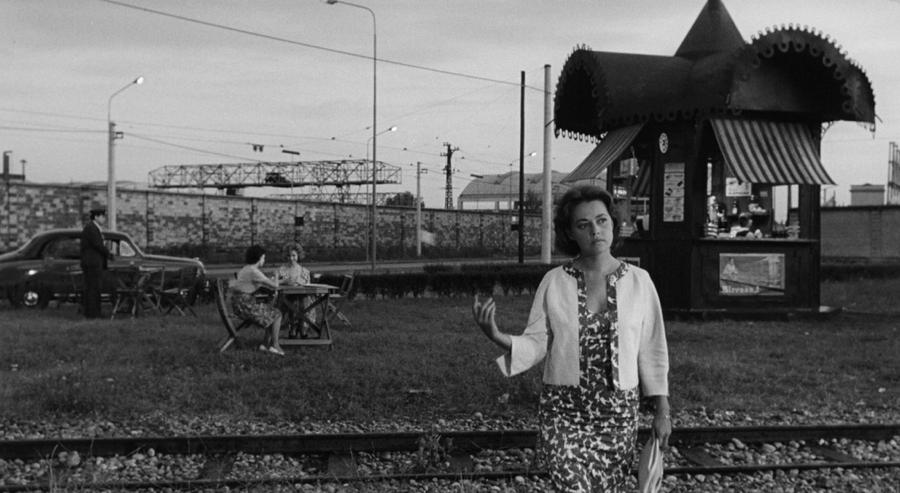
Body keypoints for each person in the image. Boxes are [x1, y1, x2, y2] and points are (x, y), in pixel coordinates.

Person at [472, 185, 671, 492]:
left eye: (602, 220)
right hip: (563, 413)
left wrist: (662, 411)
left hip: (618, 415)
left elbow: (653, 350)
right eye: (583, 224)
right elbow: (536, 341)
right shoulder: (554, 282)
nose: (595, 231)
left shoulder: (639, 282)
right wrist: (496, 335)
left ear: (613, 223)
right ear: (570, 233)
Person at [231, 245, 284, 356]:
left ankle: (265, 344)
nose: (264, 260)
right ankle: (275, 345)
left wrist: (279, 281)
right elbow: (275, 286)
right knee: (277, 314)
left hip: (240, 304)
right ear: (259, 258)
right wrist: (276, 275)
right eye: (264, 258)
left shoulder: (247, 268)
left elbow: (265, 282)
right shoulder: (254, 271)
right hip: (245, 306)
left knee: (271, 312)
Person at [80, 208, 113, 319]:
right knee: (93, 289)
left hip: (93, 263)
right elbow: (98, 245)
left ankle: (93, 312)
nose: (104, 219)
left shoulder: (94, 228)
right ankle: (93, 313)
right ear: (96, 217)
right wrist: (109, 254)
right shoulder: (91, 228)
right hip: (92, 263)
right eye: (102, 216)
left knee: (94, 288)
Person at [276, 243, 313, 338]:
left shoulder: (304, 271)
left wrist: (302, 283)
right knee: (291, 302)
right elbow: (273, 282)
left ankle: (302, 326)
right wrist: (284, 281)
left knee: (304, 301)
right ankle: (293, 327)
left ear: (298, 256)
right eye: (289, 256)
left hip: (302, 297)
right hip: (286, 298)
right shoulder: (281, 270)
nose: (291, 258)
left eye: (294, 255)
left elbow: (308, 285)